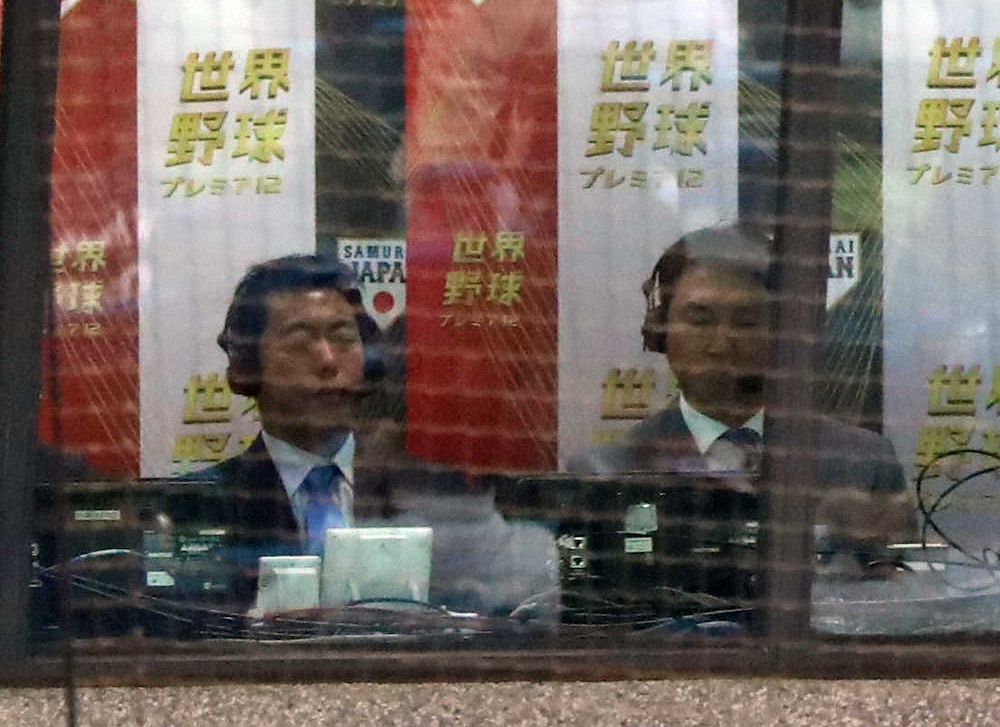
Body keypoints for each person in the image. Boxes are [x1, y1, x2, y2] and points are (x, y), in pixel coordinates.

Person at [200, 254, 554, 613]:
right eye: (299, 342)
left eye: (343, 339)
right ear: (246, 366)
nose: (327, 361)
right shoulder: (203, 506)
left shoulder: (434, 495)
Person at [570, 224, 917, 578]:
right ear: (661, 330)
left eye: (747, 322)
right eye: (700, 321)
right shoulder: (605, 474)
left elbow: (900, 595)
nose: (721, 345)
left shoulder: (863, 463)